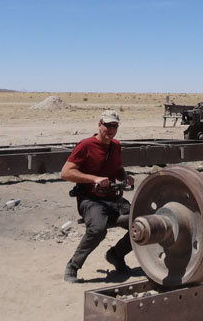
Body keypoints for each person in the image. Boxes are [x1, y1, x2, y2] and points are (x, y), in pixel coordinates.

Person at [61, 109, 136, 283]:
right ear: (99, 124)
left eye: (115, 126)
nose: (111, 130)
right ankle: (73, 266)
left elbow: (117, 169)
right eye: (108, 126)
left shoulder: (115, 146)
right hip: (90, 199)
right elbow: (65, 172)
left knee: (142, 224)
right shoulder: (85, 146)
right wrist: (94, 179)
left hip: (113, 198)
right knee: (98, 229)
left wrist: (125, 178)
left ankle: (116, 255)